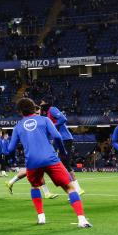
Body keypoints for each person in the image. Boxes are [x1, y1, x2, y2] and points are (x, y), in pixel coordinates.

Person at [6, 98, 91, 228]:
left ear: (20, 112)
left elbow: (10, 149)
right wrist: (62, 152)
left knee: (35, 186)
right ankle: (82, 220)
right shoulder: (45, 120)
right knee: (69, 188)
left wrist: (12, 159)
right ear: (34, 108)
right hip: (50, 159)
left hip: (32, 162)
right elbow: (57, 136)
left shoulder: (17, 127)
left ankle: (41, 217)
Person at [6, 106, 59, 199]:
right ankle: (46, 195)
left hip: (36, 153)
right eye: (37, 113)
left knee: (31, 171)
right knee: (37, 172)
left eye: (39, 113)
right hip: (32, 153)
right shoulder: (25, 125)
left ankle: (11, 182)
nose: (37, 115)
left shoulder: (40, 122)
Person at [40, 99, 83, 194]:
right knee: (64, 165)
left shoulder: (52, 109)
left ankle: (75, 189)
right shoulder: (47, 115)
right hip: (59, 140)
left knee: (64, 165)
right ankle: (77, 189)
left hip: (65, 139)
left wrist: (53, 126)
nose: (41, 105)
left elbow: (63, 119)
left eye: (42, 103)